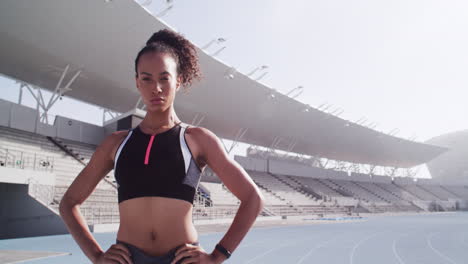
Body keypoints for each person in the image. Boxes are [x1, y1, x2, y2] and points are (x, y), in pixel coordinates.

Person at [59, 29, 265, 264]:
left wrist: (218, 255)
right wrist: (96, 256)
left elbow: (253, 198)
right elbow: (68, 203)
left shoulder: (198, 139)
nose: (155, 88)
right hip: (128, 259)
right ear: (137, 82)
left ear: (178, 81)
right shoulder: (116, 143)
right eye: (146, 78)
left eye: (164, 78)